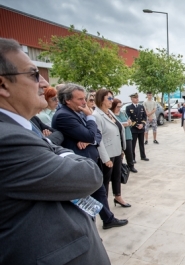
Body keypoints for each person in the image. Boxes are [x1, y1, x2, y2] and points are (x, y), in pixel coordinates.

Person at [0, 37, 110, 264]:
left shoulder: (26, 124)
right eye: (33, 74)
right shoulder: (8, 140)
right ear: (3, 85)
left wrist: (53, 147)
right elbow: (89, 173)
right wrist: (59, 148)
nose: (43, 83)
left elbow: (87, 139)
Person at [53, 83, 128, 229]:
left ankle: (108, 219)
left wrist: (89, 139)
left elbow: (96, 136)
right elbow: (91, 134)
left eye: (84, 98)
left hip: (89, 160)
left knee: (99, 192)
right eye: (80, 99)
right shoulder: (64, 115)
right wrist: (90, 121)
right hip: (79, 164)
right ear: (67, 100)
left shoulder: (78, 112)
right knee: (85, 199)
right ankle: (89, 228)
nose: (84, 102)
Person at [93, 89, 130, 208]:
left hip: (117, 151)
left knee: (117, 176)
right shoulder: (97, 115)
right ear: (101, 99)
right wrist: (105, 158)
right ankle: (105, 207)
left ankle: (118, 197)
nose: (111, 100)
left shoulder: (109, 112)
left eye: (112, 98)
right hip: (107, 154)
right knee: (105, 182)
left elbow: (117, 128)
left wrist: (122, 149)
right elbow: (99, 139)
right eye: (109, 98)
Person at [111, 98, 138, 173]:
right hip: (118, 137)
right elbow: (115, 124)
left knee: (129, 151)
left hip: (127, 135)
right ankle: (119, 167)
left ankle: (131, 166)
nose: (119, 108)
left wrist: (129, 123)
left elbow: (128, 121)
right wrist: (124, 124)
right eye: (118, 107)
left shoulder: (123, 113)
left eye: (120, 106)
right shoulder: (111, 114)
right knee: (119, 153)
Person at [126, 92, 149, 162]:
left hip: (141, 128)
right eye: (135, 98)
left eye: (137, 97)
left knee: (141, 143)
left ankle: (143, 156)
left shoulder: (141, 107)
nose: (137, 99)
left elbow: (145, 117)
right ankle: (133, 158)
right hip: (134, 128)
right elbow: (128, 118)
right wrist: (136, 125)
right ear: (132, 99)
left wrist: (142, 124)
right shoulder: (129, 107)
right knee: (133, 144)